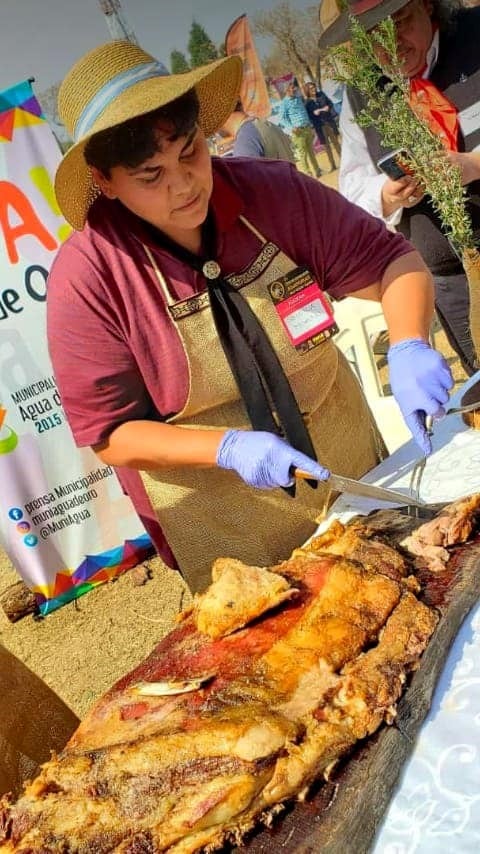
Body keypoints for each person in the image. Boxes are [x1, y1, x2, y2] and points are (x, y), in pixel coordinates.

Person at [47, 40, 453, 592]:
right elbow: (111, 434)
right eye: (150, 175)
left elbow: (393, 262)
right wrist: (227, 446)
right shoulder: (89, 276)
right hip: (224, 524)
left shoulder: (273, 193)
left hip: (352, 469)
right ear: (105, 181)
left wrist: (408, 343)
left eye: (190, 152)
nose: (184, 183)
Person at [319, 0, 480, 376]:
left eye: (400, 21)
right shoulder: (362, 93)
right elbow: (353, 185)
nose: (392, 42)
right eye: (374, 35)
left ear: (427, 5)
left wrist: (472, 165)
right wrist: (386, 194)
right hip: (452, 282)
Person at [220, 100, 296, 162]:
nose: (215, 132)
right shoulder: (268, 125)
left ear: (223, 116)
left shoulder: (245, 139)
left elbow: (249, 179)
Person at [279, 81, 322, 178]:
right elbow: (282, 118)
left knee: (311, 151)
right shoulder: (284, 103)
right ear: (287, 90)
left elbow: (304, 112)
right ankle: (308, 173)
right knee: (302, 154)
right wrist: (291, 127)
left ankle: (317, 170)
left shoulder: (298, 98)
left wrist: (310, 125)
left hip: (307, 128)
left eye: (294, 88)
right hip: (298, 132)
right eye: (292, 88)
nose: (294, 90)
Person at [304, 81, 341, 172]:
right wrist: (316, 112)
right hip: (319, 127)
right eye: (311, 88)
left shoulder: (321, 94)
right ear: (307, 91)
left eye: (314, 87)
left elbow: (330, 103)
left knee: (336, 142)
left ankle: (344, 161)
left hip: (329, 122)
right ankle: (333, 165)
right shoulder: (307, 103)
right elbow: (310, 116)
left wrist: (328, 107)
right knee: (326, 146)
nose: (314, 89)